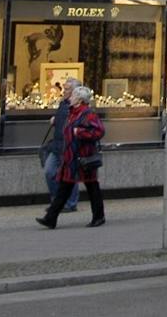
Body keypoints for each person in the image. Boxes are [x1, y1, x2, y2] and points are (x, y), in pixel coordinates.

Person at [36, 84, 105, 228]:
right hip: (70, 157)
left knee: (91, 186)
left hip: (83, 157)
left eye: (73, 96)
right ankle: (51, 218)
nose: (71, 98)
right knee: (65, 187)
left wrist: (79, 132)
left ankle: (98, 216)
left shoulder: (87, 114)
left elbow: (99, 132)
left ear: (79, 100)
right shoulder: (72, 112)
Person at [39, 77, 81, 215]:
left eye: (67, 89)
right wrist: (55, 120)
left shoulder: (78, 106)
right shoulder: (63, 103)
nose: (64, 91)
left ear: (75, 91)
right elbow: (61, 120)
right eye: (65, 88)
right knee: (49, 171)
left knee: (69, 175)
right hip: (57, 144)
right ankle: (57, 200)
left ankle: (70, 203)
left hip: (69, 145)